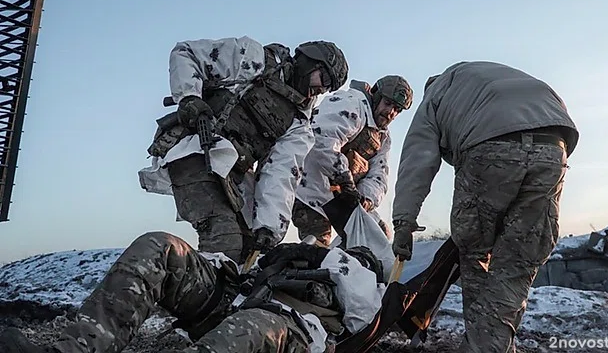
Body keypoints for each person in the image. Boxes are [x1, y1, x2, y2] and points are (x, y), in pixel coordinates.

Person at [390, 61, 579, 352]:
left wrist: (404, 222)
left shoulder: (436, 94)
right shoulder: (488, 77)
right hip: (554, 145)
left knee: (475, 252)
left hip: (489, 147)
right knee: (517, 263)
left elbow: (418, 159)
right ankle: (495, 345)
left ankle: (482, 347)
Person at [138, 36, 349, 262]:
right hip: (196, 150)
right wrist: (189, 97)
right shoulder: (254, 60)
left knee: (246, 250)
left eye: (328, 88)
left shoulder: (298, 125)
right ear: (310, 62)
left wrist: (268, 228)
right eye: (324, 78)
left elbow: (280, 174)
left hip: (231, 178)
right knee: (224, 240)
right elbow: (187, 53)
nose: (320, 89)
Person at [0, 231, 386, 353]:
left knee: (249, 328)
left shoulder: (365, 284)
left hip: (289, 329)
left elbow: (360, 315)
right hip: (232, 298)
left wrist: (327, 256)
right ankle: (73, 349)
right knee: (162, 246)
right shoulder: (299, 258)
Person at [292, 75, 413, 247]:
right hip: (310, 189)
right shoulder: (350, 103)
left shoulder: (383, 138)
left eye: (397, 110)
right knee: (315, 248)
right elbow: (322, 140)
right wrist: (344, 179)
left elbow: (379, 175)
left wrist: (365, 199)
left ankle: (350, 267)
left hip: (344, 197)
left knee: (378, 235)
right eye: (388, 104)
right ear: (376, 95)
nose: (391, 112)